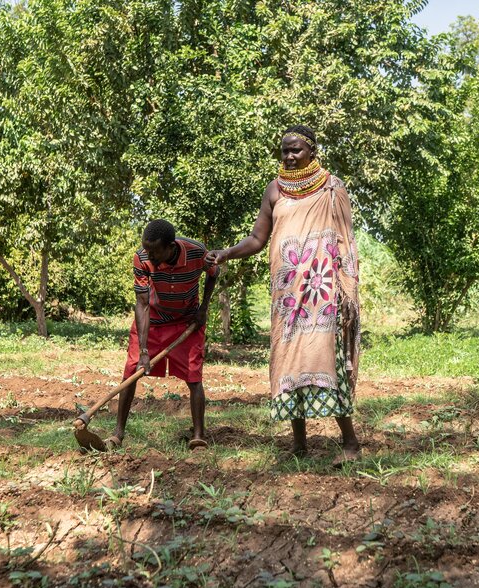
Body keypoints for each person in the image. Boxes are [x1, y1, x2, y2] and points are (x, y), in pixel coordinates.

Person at [205, 125, 361, 466]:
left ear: (312, 152)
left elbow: (347, 240)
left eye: (296, 151)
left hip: (323, 292)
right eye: (284, 152)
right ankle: (299, 443)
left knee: (326, 362)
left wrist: (347, 290)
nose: (289, 157)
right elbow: (257, 239)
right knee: (290, 360)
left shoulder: (332, 188)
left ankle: (350, 442)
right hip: (287, 295)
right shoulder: (274, 191)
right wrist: (227, 252)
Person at [107, 219, 219, 451]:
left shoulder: (196, 252)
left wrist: (203, 309)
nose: (150, 256)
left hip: (187, 322)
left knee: (194, 375)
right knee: (131, 373)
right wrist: (144, 350)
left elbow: (213, 272)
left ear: (171, 246)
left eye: (155, 251)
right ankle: (118, 434)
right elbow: (142, 303)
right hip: (153, 322)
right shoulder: (142, 258)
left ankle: (198, 435)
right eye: (146, 249)